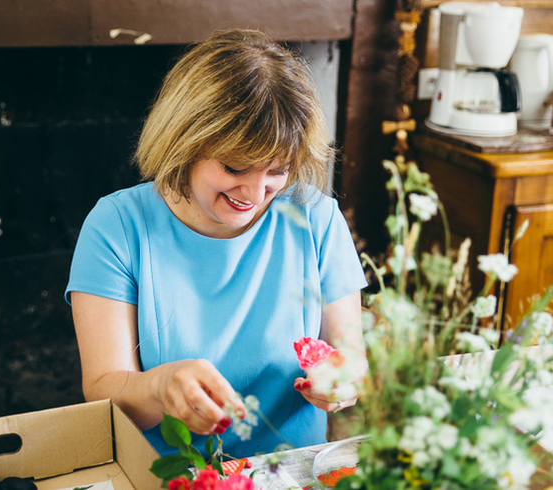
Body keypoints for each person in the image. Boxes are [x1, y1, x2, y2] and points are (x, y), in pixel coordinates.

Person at [65, 28, 367, 458]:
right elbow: (102, 390)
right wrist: (160, 386)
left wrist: (343, 380)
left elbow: (350, 355)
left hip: (294, 471)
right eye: (234, 166)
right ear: (184, 140)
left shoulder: (315, 217)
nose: (255, 192)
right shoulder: (116, 226)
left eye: (277, 171)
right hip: (166, 476)